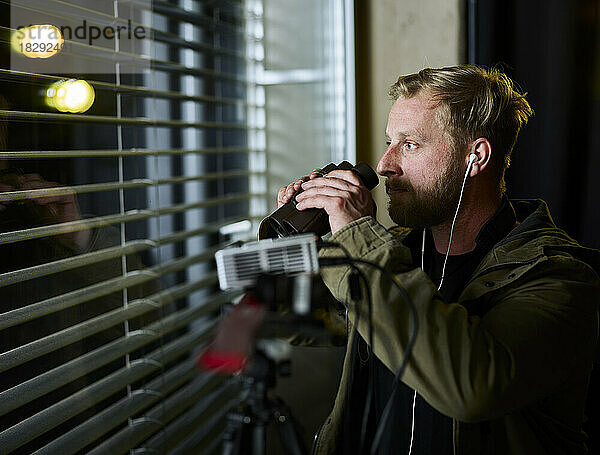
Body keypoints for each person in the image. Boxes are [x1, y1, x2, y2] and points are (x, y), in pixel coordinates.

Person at [278, 65, 599, 454]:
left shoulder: (559, 275)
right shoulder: (395, 254)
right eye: (389, 142)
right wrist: (300, 240)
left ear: (475, 156)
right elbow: (293, 320)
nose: (384, 164)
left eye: (409, 144)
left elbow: (470, 389)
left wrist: (359, 235)